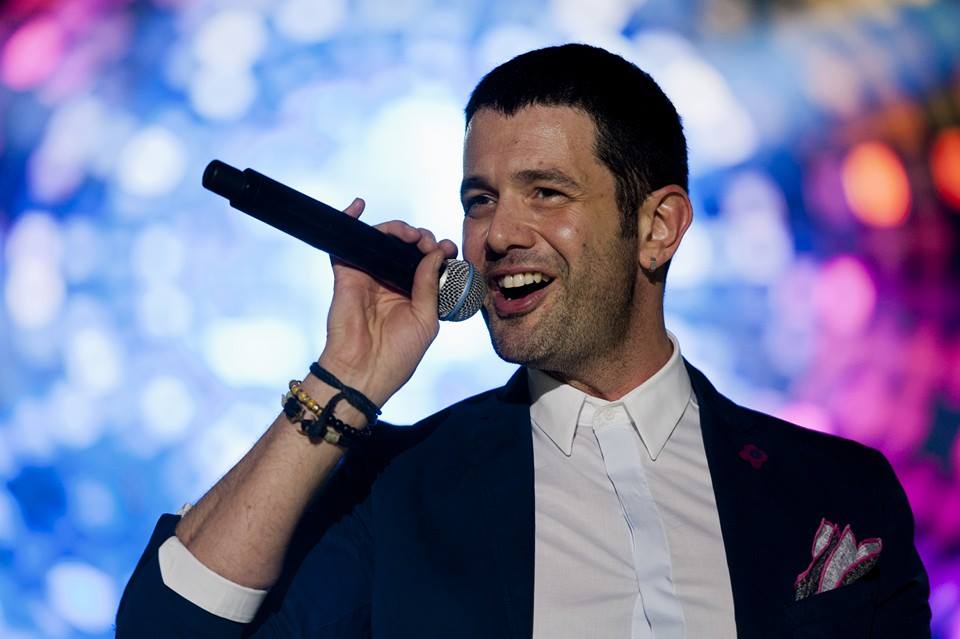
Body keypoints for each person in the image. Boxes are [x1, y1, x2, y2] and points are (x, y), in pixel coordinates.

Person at [116, 44, 931, 638]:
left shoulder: (837, 488)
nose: (498, 233)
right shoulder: (400, 490)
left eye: (545, 192)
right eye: (480, 199)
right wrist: (343, 377)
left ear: (658, 227)